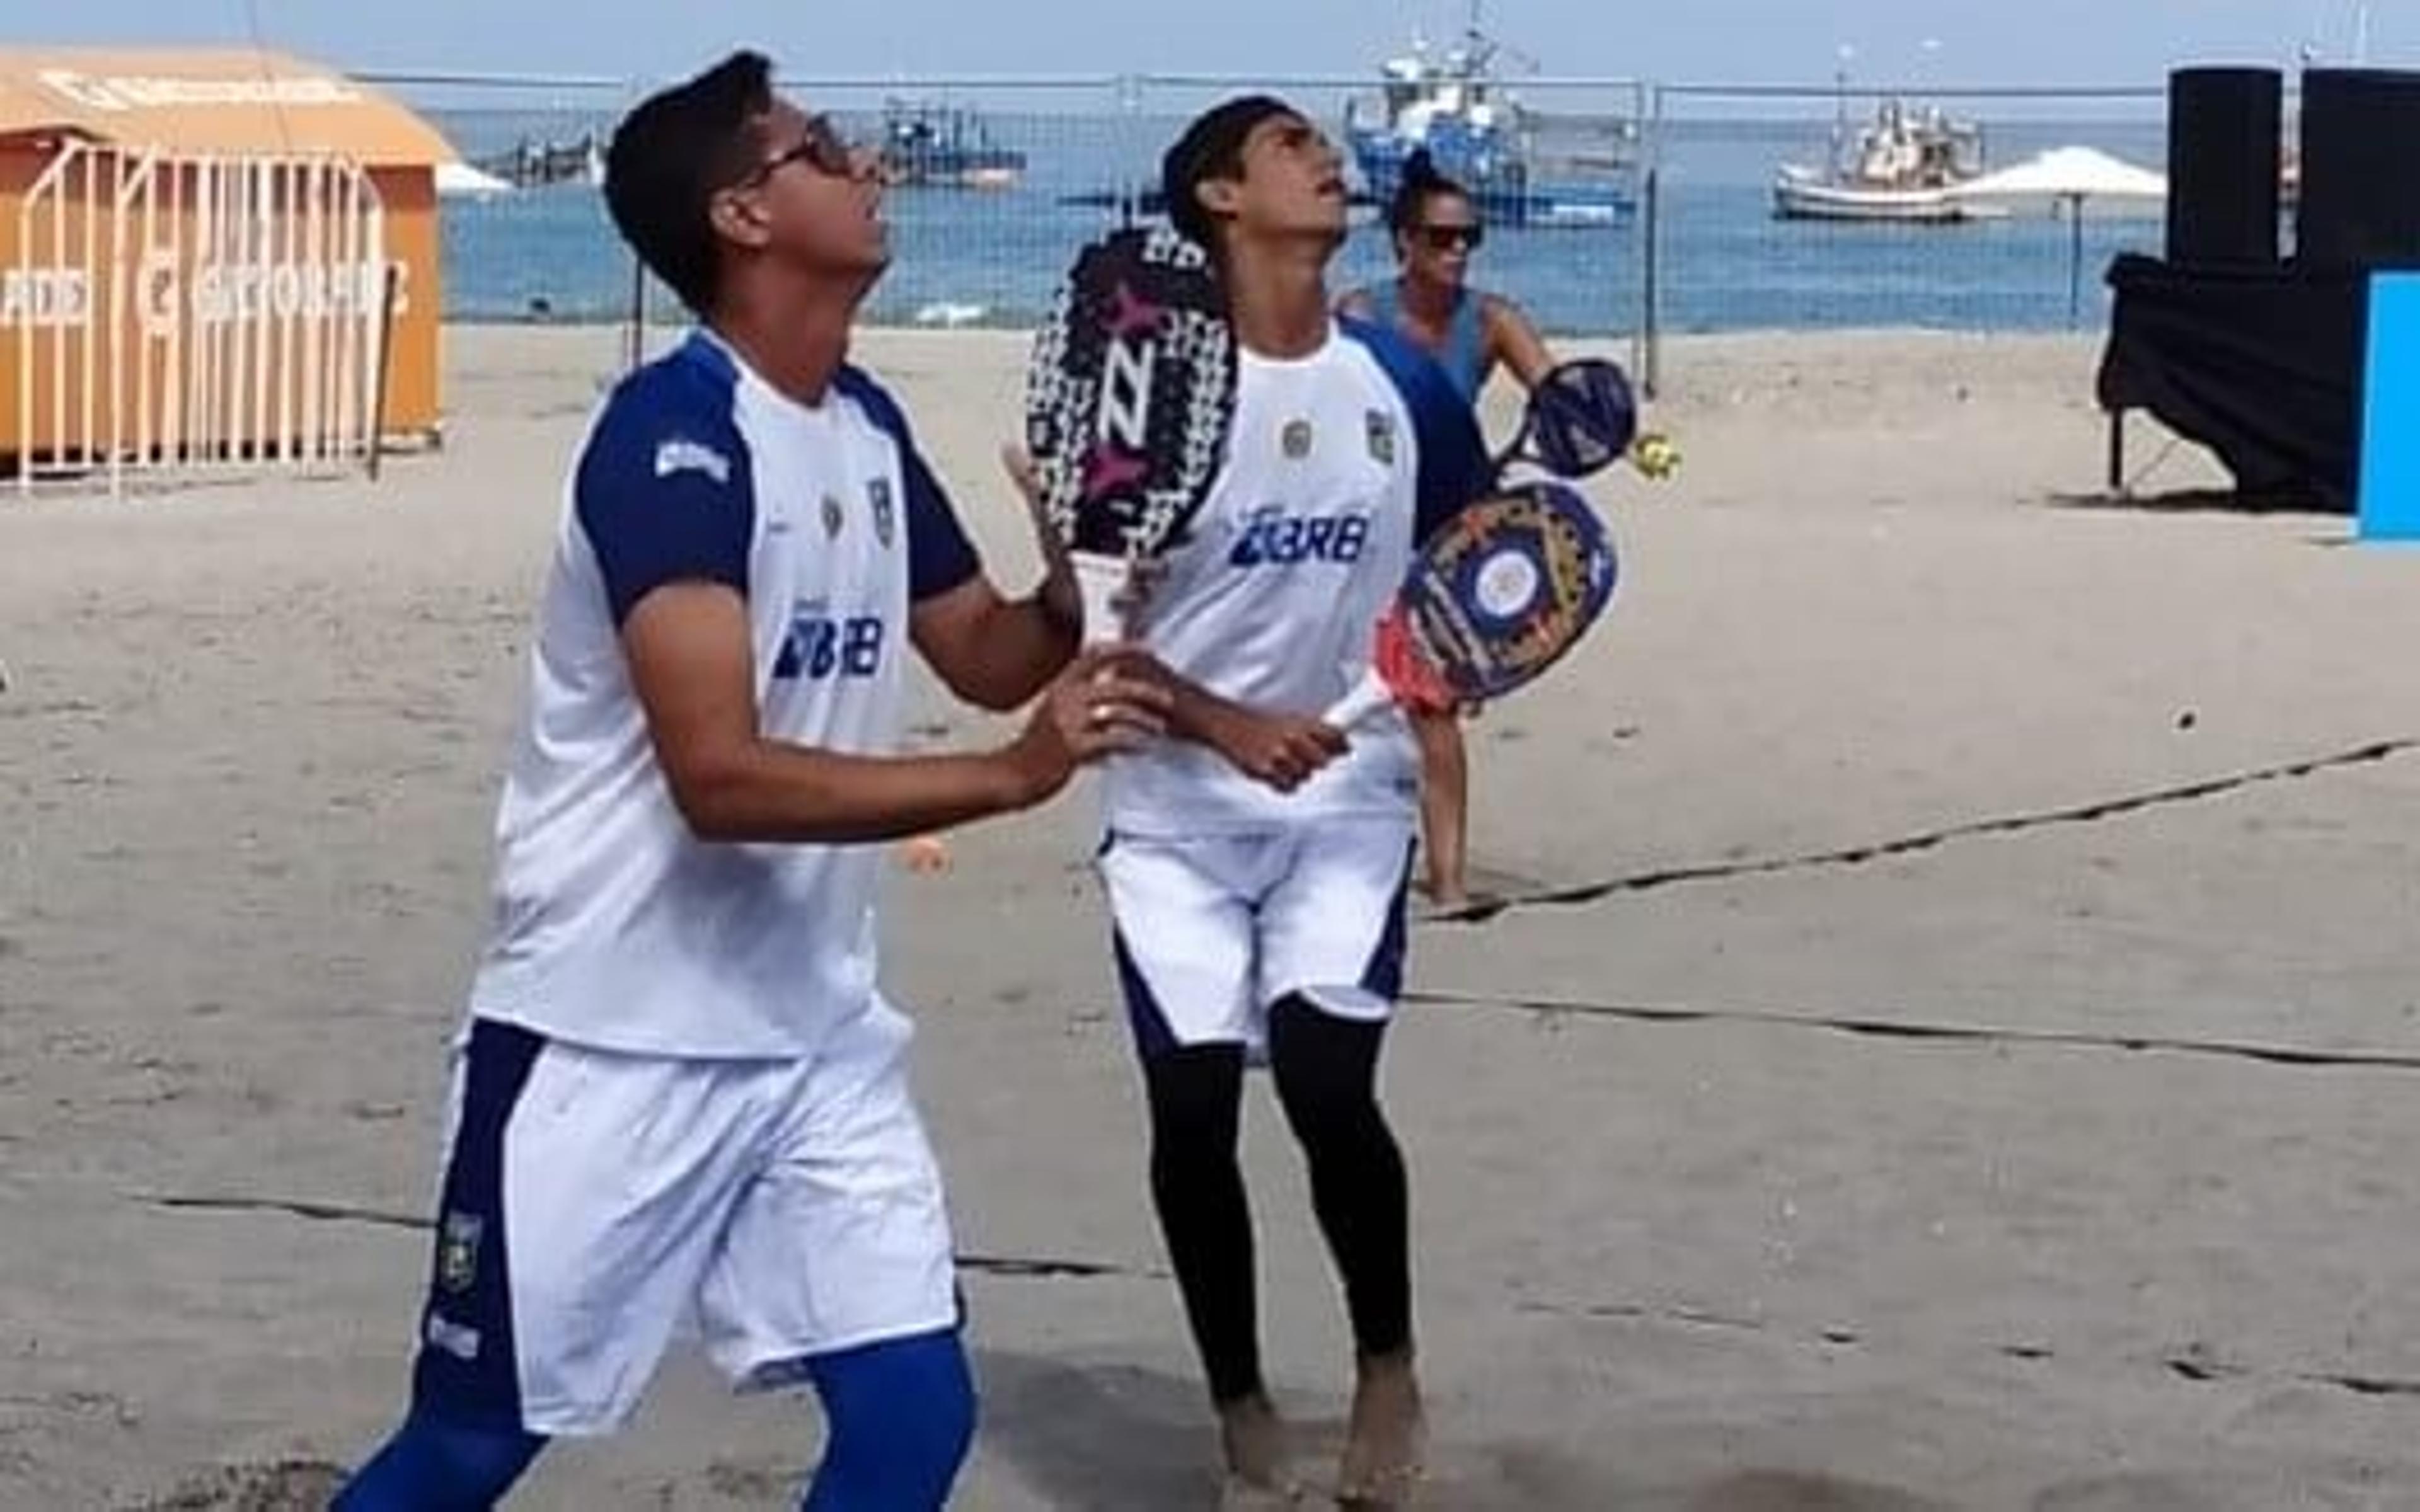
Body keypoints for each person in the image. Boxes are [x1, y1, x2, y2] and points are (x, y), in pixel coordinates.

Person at [333, 51, 1168, 1511]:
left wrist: (1078, 580)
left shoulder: (862, 424)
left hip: (810, 1034)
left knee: (913, 1415)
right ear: (742, 213)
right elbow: (716, 775)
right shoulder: (672, 440)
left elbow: (979, 647)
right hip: (606, 1039)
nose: (869, 167)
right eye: (824, 150)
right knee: (465, 1448)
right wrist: (1011, 774)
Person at [1091, 97, 1488, 1508]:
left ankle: (1387, 1369)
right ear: (1217, 194)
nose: (1328, 161)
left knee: (1326, 1084)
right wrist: (1219, 721)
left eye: (1329, 147)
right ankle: (1243, 1407)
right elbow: (1099, 639)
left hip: (1345, 794)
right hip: (1174, 810)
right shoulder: (1144, 392)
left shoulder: (1400, 379)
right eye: (1290, 146)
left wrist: (1455, 664)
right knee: (1193, 1112)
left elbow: (1475, 558)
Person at [1336, 151, 1559, 912]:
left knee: (1431, 711)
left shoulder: (1492, 320)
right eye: (1440, 238)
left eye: (1470, 237)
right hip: (1363, 530)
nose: (1457, 251)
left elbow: (1560, 397)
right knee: (1339, 698)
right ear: (1403, 242)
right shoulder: (1361, 317)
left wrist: (1627, 439)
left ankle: (1451, 883)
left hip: (1446, 535)